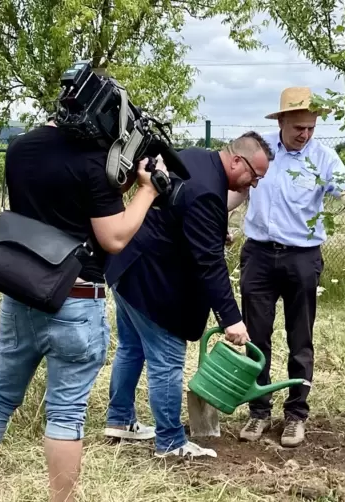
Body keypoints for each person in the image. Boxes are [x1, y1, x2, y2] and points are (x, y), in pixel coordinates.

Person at [0, 119, 166, 502]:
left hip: (23, 291)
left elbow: (58, 199)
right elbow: (113, 237)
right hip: (76, 299)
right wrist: (147, 189)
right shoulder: (94, 161)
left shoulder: (19, 147)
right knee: (65, 414)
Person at [101, 131, 274, 459]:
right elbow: (209, 264)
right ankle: (170, 442)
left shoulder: (195, 157)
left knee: (131, 346)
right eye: (254, 176)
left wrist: (209, 232)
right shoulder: (209, 191)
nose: (253, 184)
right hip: (154, 281)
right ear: (237, 160)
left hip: (129, 267)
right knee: (167, 359)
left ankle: (120, 419)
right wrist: (232, 319)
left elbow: (178, 214)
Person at [237, 86, 345, 447]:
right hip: (257, 254)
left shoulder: (324, 158)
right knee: (256, 336)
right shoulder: (259, 149)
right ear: (282, 120)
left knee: (300, 338)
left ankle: (296, 414)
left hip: (302, 257)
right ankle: (258, 411)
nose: (305, 134)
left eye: (311, 128)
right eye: (298, 127)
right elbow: (235, 187)